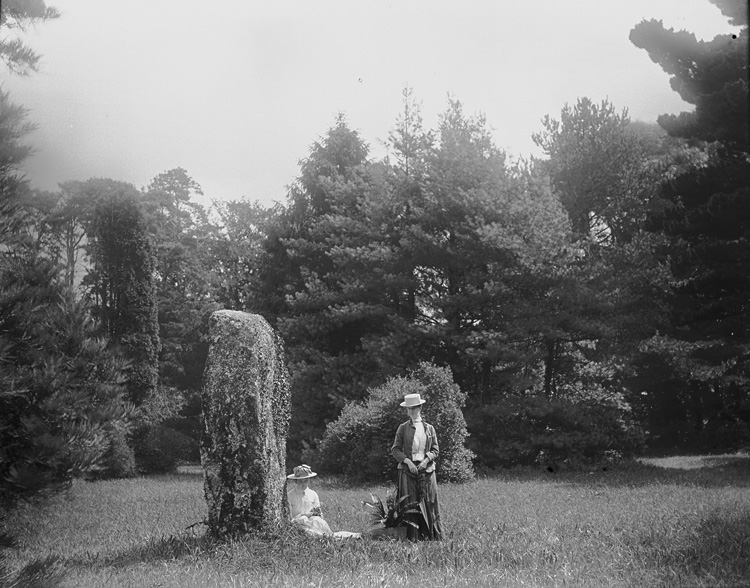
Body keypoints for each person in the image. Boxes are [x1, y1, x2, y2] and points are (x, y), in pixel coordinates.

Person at [390, 393, 443, 540]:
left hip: (427, 470)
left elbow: (435, 450)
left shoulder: (429, 428)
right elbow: (395, 449)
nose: (411, 411)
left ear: (420, 408)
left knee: (429, 502)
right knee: (409, 504)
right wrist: (408, 462)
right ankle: (412, 537)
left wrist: (426, 461)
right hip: (407, 470)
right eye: (409, 409)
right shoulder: (402, 428)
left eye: (414, 408)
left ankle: (431, 536)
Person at [286, 464, 360, 538]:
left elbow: (318, 512)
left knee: (326, 531)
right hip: (299, 523)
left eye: (305, 481)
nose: (303, 484)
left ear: (308, 480)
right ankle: (327, 537)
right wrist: (303, 518)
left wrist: (315, 517)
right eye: (300, 481)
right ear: (295, 481)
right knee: (309, 533)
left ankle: (353, 535)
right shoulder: (290, 495)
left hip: (313, 522)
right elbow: (290, 517)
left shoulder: (313, 494)